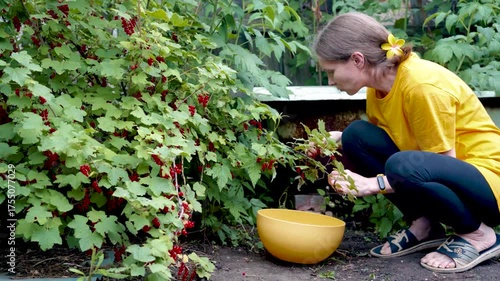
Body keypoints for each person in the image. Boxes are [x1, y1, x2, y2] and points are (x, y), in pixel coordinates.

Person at [310, 11, 500, 273]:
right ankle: (425, 225)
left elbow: (441, 163)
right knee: (356, 135)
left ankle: (479, 235)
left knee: (401, 164)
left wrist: (374, 184)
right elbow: (393, 142)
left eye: (331, 72)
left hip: (488, 182)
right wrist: (338, 140)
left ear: (357, 59)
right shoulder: (378, 87)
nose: (331, 81)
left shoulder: (421, 85)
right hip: (443, 173)